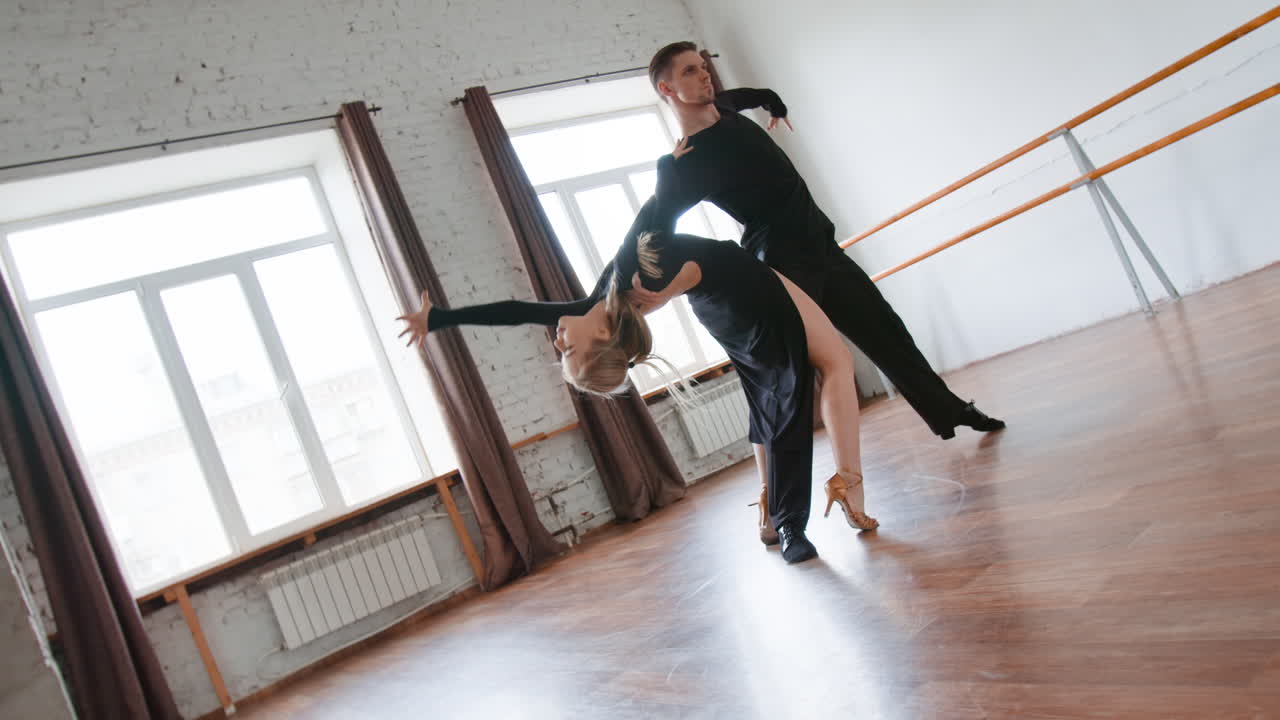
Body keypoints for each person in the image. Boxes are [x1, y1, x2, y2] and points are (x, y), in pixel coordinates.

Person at [640, 43, 1006, 537]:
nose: (705, 77)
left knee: (887, 333)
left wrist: (776, 106)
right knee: (788, 383)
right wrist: (665, 172)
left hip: (822, 247)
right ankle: (781, 509)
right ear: (667, 88)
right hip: (783, 264)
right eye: (690, 72)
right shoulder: (690, 161)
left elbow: (756, 94)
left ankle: (949, 410)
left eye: (704, 68)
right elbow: (653, 229)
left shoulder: (725, 106)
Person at [398, 200, 877, 563]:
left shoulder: (595, 301)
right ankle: (792, 526)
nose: (556, 340)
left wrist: (439, 319)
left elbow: (514, 311)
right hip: (741, 294)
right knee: (785, 393)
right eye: (568, 350)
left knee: (771, 392)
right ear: (600, 336)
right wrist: (673, 166)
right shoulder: (624, 284)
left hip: (730, 292)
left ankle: (775, 513)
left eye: (560, 350)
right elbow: (654, 212)